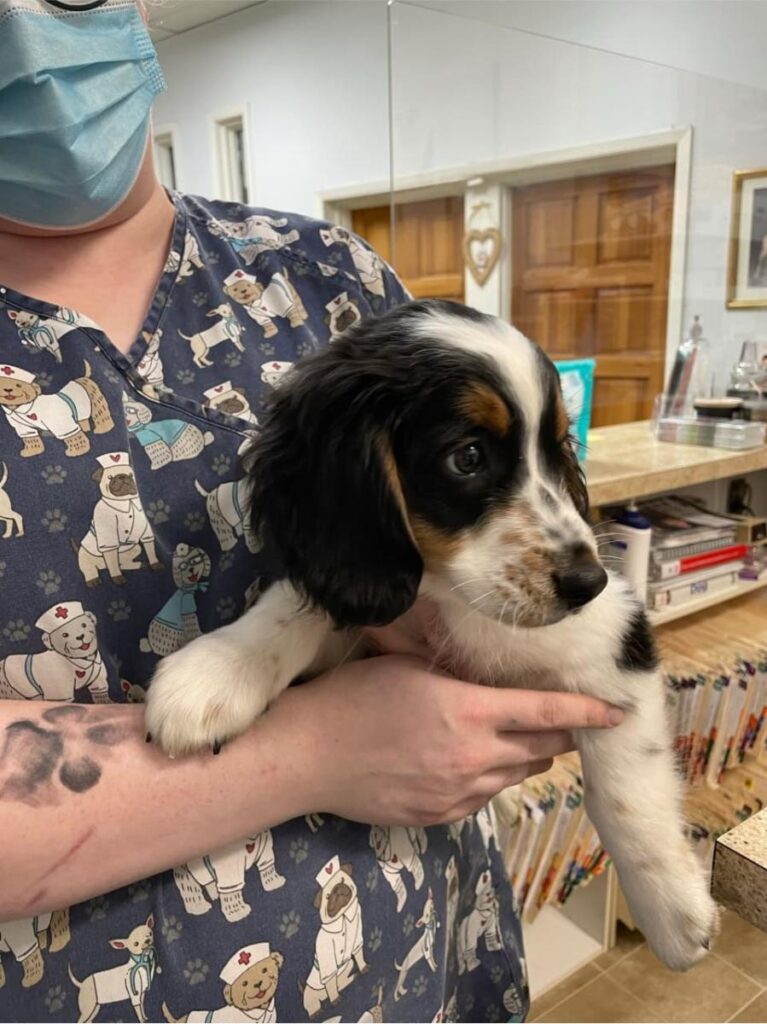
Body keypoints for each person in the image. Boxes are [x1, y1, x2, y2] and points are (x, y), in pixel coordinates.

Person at [0, 1, 624, 1020]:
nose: (27, 37)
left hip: (412, 965)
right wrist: (318, 751)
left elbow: (420, 591)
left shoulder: (327, 279)